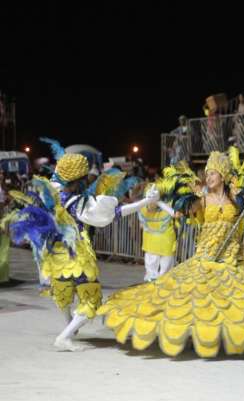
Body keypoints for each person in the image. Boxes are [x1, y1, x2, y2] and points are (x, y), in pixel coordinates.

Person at [98, 151, 244, 357]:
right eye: (207, 173)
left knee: (235, 299)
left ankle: (232, 336)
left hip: (232, 259)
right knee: (195, 298)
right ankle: (198, 334)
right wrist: (155, 201)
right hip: (205, 258)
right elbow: (179, 214)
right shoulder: (201, 199)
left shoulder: (236, 197)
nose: (209, 177)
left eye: (213, 173)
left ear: (223, 175)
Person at [5, 146, 159, 351]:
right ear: (79, 180)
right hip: (76, 254)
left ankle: (70, 324)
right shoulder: (79, 203)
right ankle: (65, 336)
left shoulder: (51, 193)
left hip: (55, 254)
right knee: (91, 299)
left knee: (63, 290)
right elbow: (116, 212)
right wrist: (147, 201)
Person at [138, 196, 178, 282]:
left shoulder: (142, 209)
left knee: (153, 270)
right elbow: (177, 216)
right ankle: (160, 284)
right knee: (164, 270)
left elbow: (141, 226)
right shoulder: (169, 206)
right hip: (163, 243)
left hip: (155, 243)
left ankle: (154, 284)